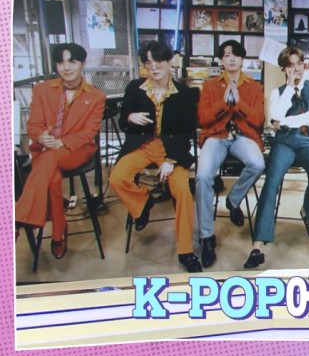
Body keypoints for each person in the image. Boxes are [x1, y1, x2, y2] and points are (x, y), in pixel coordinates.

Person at [109, 41, 201, 273]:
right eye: (148, 62)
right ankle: (143, 202)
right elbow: (122, 121)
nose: (153, 67)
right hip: (141, 145)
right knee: (117, 178)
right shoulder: (134, 88)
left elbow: (186, 133)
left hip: (171, 149)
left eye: (158, 61)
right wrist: (129, 117)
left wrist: (170, 161)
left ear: (170, 62)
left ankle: (186, 250)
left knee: (182, 191)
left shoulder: (183, 93)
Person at [15, 43, 106, 259]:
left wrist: (62, 142)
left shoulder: (96, 96)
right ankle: (59, 231)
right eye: (60, 62)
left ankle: (18, 218)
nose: (66, 67)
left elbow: (89, 132)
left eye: (72, 61)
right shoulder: (42, 89)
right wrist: (41, 137)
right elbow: (33, 125)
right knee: (52, 179)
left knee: (48, 159)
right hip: (46, 149)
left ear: (83, 63)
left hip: (77, 150)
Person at [245, 47, 309, 268]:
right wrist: (289, 88)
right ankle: (258, 244)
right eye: (290, 65)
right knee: (271, 181)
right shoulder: (277, 93)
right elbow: (276, 116)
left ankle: (307, 211)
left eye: (299, 63)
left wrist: (286, 122)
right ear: (283, 69)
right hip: (285, 142)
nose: (296, 69)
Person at [195, 40, 266, 268]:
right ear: (221, 60)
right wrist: (224, 103)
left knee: (258, 163)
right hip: (216, 136)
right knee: (203, 176)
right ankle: (207, 236)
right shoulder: (210, 85)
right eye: (226, 55)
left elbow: (258, 121)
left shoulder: (254, 87)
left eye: (236, 55)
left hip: (244, 136)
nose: (232, 59)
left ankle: (233, 200)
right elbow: (203, 119)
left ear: (243, 59)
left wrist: (239, 102)